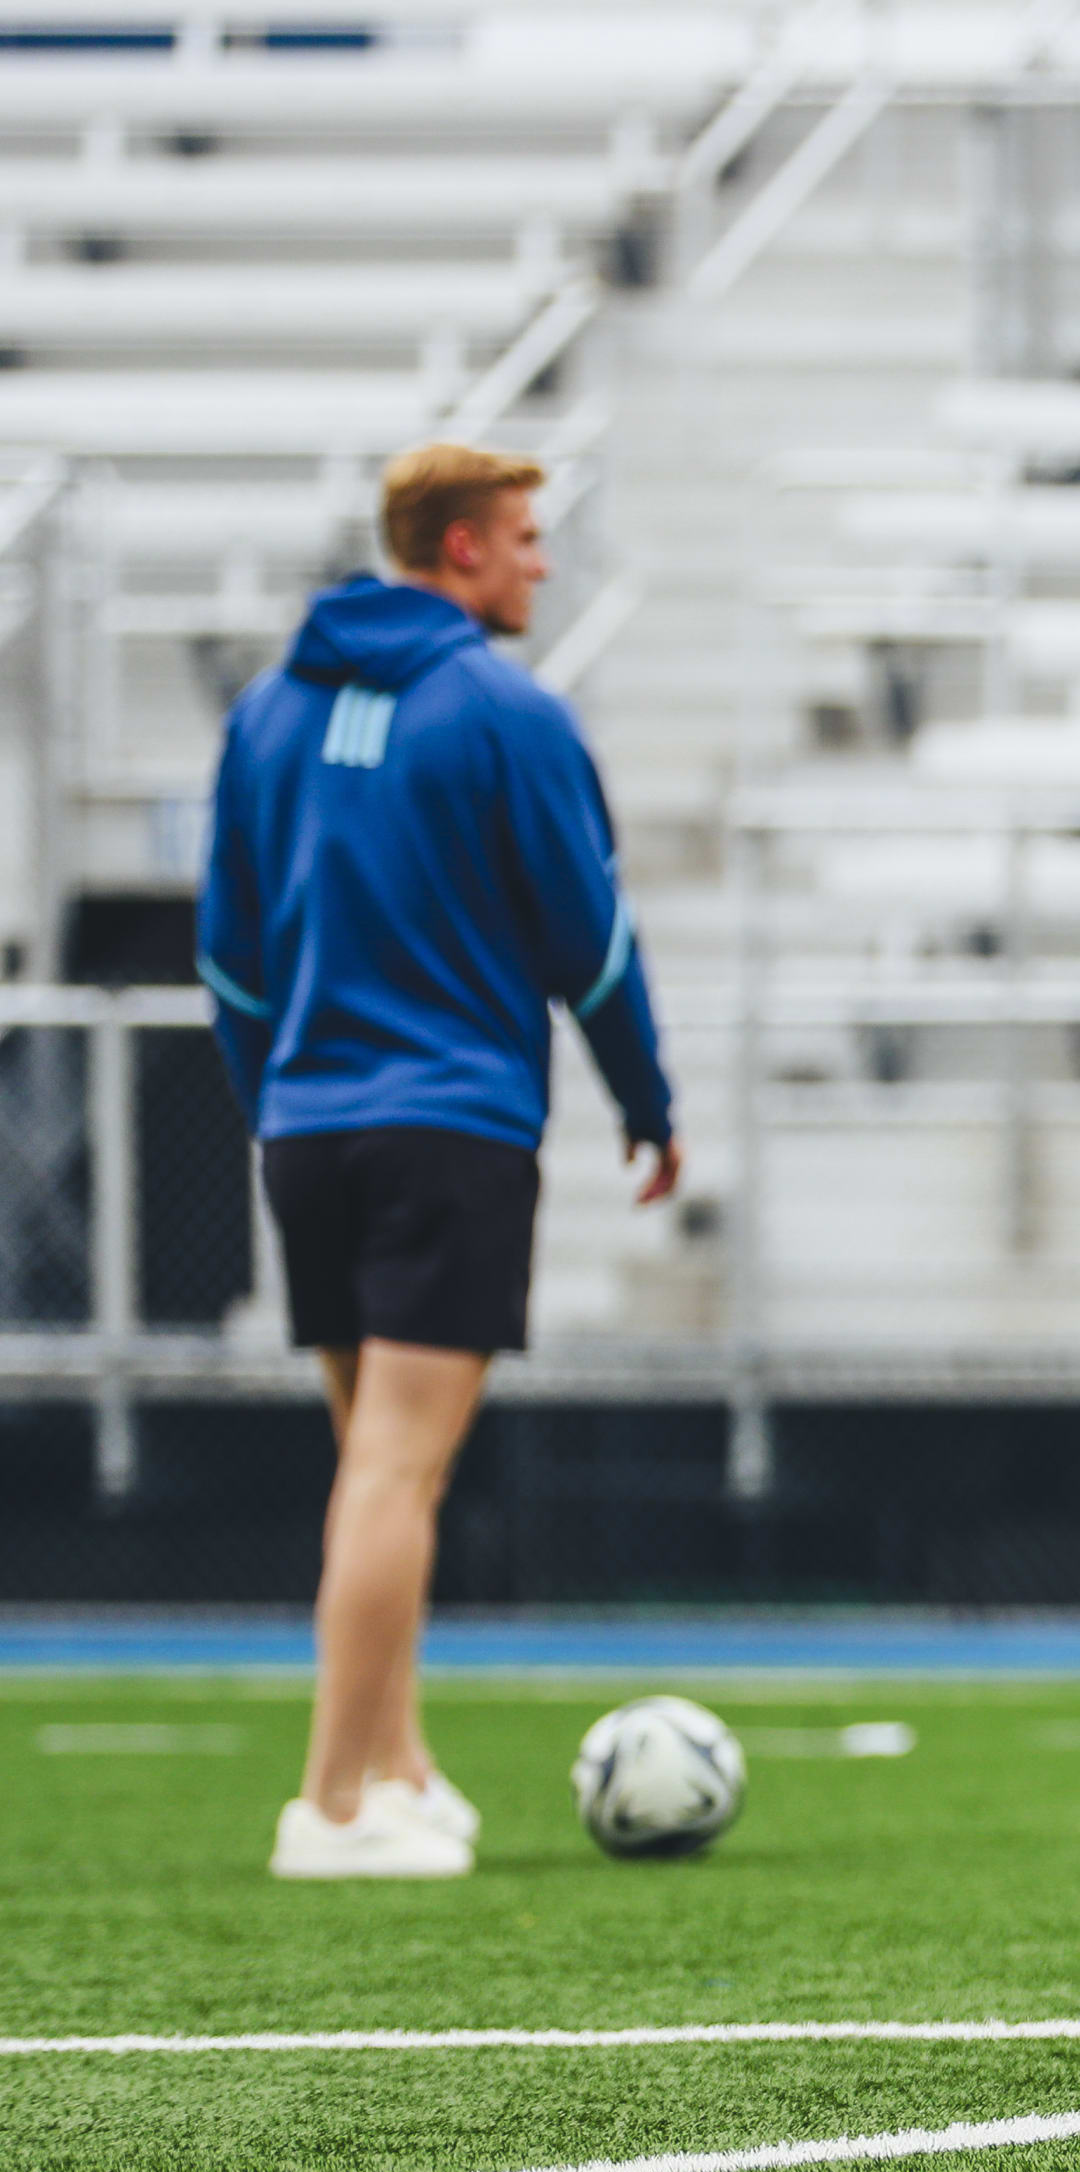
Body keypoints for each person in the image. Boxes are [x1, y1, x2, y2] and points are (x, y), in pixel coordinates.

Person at [197, 442, 679, 1881]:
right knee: (400, 1472)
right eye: (526, 537)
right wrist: (646, 1099)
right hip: (451, 1127)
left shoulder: (267, 712)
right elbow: (589, 939)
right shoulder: (506, 712)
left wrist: (274, 1098)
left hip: (307, 1127)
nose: (544, 561)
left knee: (374, 1464)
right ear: (461, 547)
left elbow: (228, 956)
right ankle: (334, 1807)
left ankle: (401, 1768)